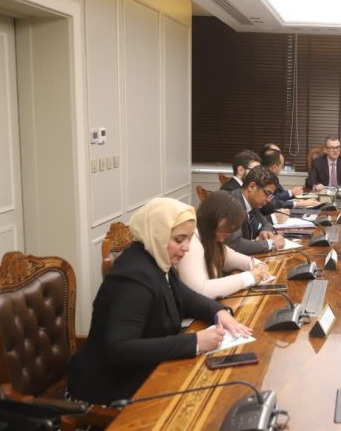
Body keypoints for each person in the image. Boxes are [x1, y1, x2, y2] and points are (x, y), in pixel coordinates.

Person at [67, 197, 251, 405]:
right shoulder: (133, 277)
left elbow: (185, 297)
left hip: (143, 370)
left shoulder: (155, 258)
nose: (186, 248)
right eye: (179, 240)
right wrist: (194, 342)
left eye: (189, 239)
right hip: (110, 384)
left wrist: (219, 312)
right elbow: (119, 349)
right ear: (157, 235)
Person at [177, 191, 269, 299]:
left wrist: (257, 265)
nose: (229, 233)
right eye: (225, 229)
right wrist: (248, 278)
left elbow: (233, 258)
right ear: (212, 218)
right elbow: (200, 290)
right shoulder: (191, 242)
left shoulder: (211, 240)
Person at [226, 166, 286, 255]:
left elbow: (266, 223)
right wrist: (270, 244)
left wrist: (265, 231)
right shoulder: (232, 204)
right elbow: (235, 244)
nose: (269, 200)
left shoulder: (251, 202)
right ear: (252, 187)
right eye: (267, 193)